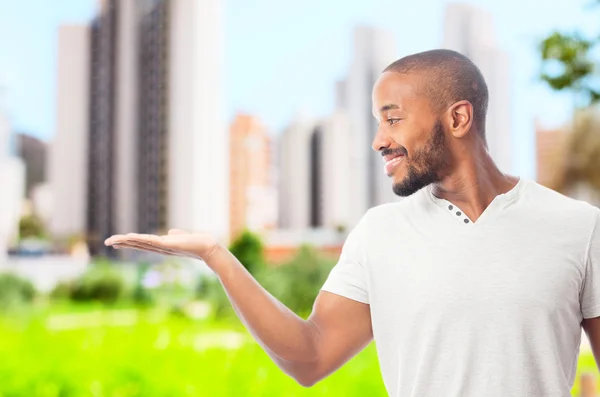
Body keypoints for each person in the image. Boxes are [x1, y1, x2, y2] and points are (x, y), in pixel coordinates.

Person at [105, 49, 600, 396]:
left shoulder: (578, 228)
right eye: (376, 123)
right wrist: (217, 257)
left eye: (393, 118)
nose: (379, 140)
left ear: (458, 118)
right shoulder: (379, 235)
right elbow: (310, 356)